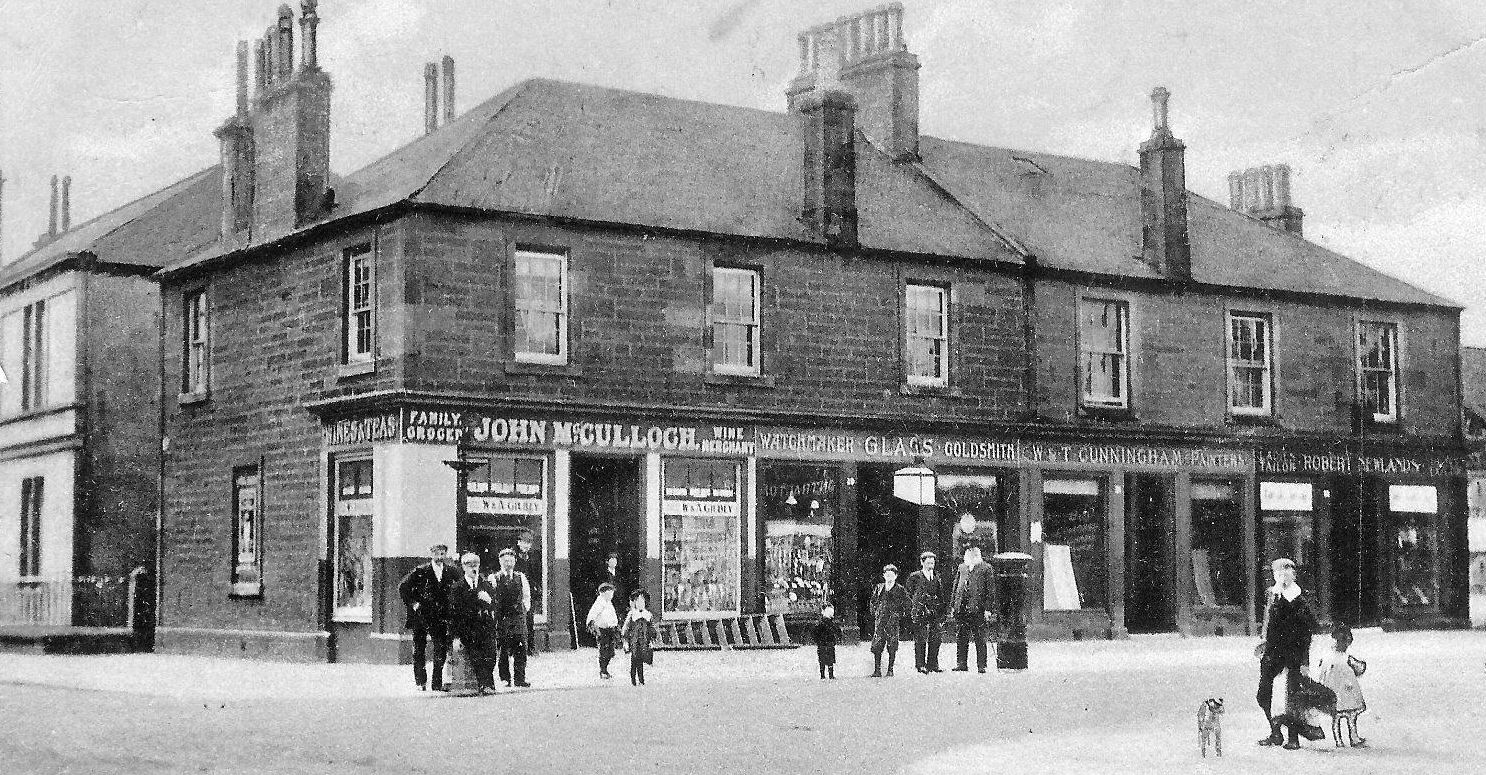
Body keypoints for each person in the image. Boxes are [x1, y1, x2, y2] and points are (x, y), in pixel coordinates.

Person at [1255, 557, 1321, 750]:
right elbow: (1268, 620)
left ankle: (1294, 738)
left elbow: (1308, 630)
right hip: (1273, 652)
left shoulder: (1299, 598)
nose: (1283, 575)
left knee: (1291, 697)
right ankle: (1275, 732)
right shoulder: (1272, 594)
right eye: (1279, 571)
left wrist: (1303, 660)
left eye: (1288, 571)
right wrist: (1264, 641)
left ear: (1294, 574)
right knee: (1263, 694)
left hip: (1293, 653)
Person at [396, 544, 461, 691]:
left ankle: (436, 682)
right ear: (431, 554)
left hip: (441, 617)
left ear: (446, 555)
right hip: (422, 616)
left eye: (442, 554)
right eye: (437, 554)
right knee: (419, 649)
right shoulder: (421, 571)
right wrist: (413, 603)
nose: (439, 557)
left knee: (441, 648)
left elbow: (461, 585)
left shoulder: (451, 571)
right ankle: (421, 681)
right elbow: (402, 587)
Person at [446, 552, 498, 694]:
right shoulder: (457, 587)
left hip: (485, 628)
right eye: (469, 565)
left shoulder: (486, 585)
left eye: (475, 565)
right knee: (477, 656)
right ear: (463, 567)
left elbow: (495, 606)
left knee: (491, 655)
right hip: (468, 629)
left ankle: (488, 684)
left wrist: (489, 601)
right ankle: (485, 685)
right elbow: (453, 614)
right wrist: (455, 637)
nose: (473, 569)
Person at [1316, 622, 1368, 748]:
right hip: (1347, 692)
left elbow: (1322, 673)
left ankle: (1341, 740)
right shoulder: (1346, 658)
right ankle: (1352, 738)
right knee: (1349, 717)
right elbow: (1359, 669)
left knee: (1338, 718)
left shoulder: (1328, 657)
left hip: (1334, 693)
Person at [950, 545, 995, 673]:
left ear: (979, 555)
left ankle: (982, 665)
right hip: (962, 608)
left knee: (980, 638)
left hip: (978, 608)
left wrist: (988, 609)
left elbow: (990, 590)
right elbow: (955, 587)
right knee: (961, 637)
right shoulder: (962, 567)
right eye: (969, 554)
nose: (972, 556)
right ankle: (961, 663)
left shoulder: (986, 568)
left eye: (974, 554)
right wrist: (954, 605)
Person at [490, 548, 532, 688]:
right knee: (503, 650)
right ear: (500, 562)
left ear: (515, 561)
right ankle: (505, 679)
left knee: (521, 649)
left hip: (518, 618)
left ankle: (520, 679)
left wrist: (524, 610)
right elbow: (491, 598)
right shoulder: (494, 578)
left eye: (511, 561)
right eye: (505, 561)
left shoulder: (521, 577)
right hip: (502, 619)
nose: (508, 563)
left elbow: (527, 597)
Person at [905, 551, 948, 674]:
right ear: (922, 562)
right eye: (928, 563)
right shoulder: (915, 577)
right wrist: (915, 607)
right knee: (920, 638)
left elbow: (940, 595)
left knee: (936, 638)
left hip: (934, 611)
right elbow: (908, 594)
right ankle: (920, 664)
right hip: (920, 611)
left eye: (932, 563)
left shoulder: (936, 577)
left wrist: (942, 611)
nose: (931, 565)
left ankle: (933, 664)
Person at [869, 564, 910, 678]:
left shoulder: (900, 589)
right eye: (887, 575)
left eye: (892, 575)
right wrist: (875, 612)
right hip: (881, 620)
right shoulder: (879, 587)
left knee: (892, 645)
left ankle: (890, 669)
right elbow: (873, 601)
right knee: (877, 644)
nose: (889, 578)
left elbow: (907, 604)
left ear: (896, 576)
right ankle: (877, 670)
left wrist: (899, 615)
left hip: (892, 621)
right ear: (883, 575)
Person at [621, 589, 657, 686]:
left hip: (644, 641)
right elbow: (625, 629)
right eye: (638, 601)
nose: (640, 604)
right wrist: (625, 642)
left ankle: (641, 680)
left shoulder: (648, 615)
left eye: (642, 601)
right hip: (634, 641)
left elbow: (652, 629)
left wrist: (652, 640)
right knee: (634, 661)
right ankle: (633, 680)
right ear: (634, 603)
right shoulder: (632, 615)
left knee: (641, 661)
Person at [585, 582, 621, 680]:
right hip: (602, 630)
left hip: (610, 630)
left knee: (610, 651)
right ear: (604, 593)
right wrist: (595, 629)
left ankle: (605, 669)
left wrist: (616, 626)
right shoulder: (599, 603)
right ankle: (603, 670)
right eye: (611, 592)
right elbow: (591, 616)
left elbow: (612, 616)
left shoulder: (609, 603)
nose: (612, 595)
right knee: (604, 651)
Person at [514, 530, 540, 656]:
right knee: (517, 621)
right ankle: (517, 648)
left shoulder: (533, 557)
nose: (527, 545)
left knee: (529, 620)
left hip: (529, 593)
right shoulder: (514, 557)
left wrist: (536, 587)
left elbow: (536, 575)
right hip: (517, 593)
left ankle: (531, 647)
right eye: (524, 542)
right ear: (519, 543)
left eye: (529, 543)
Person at [812, 603, 842, 680]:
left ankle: (822, 675)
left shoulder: (820, 623)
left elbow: (814, 632)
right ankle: (831, 675)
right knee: (830, 660)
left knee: (821, 660)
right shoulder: (831, 623)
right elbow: (837, 631)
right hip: (829, 644)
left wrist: (817, 641)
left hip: (821, 644)